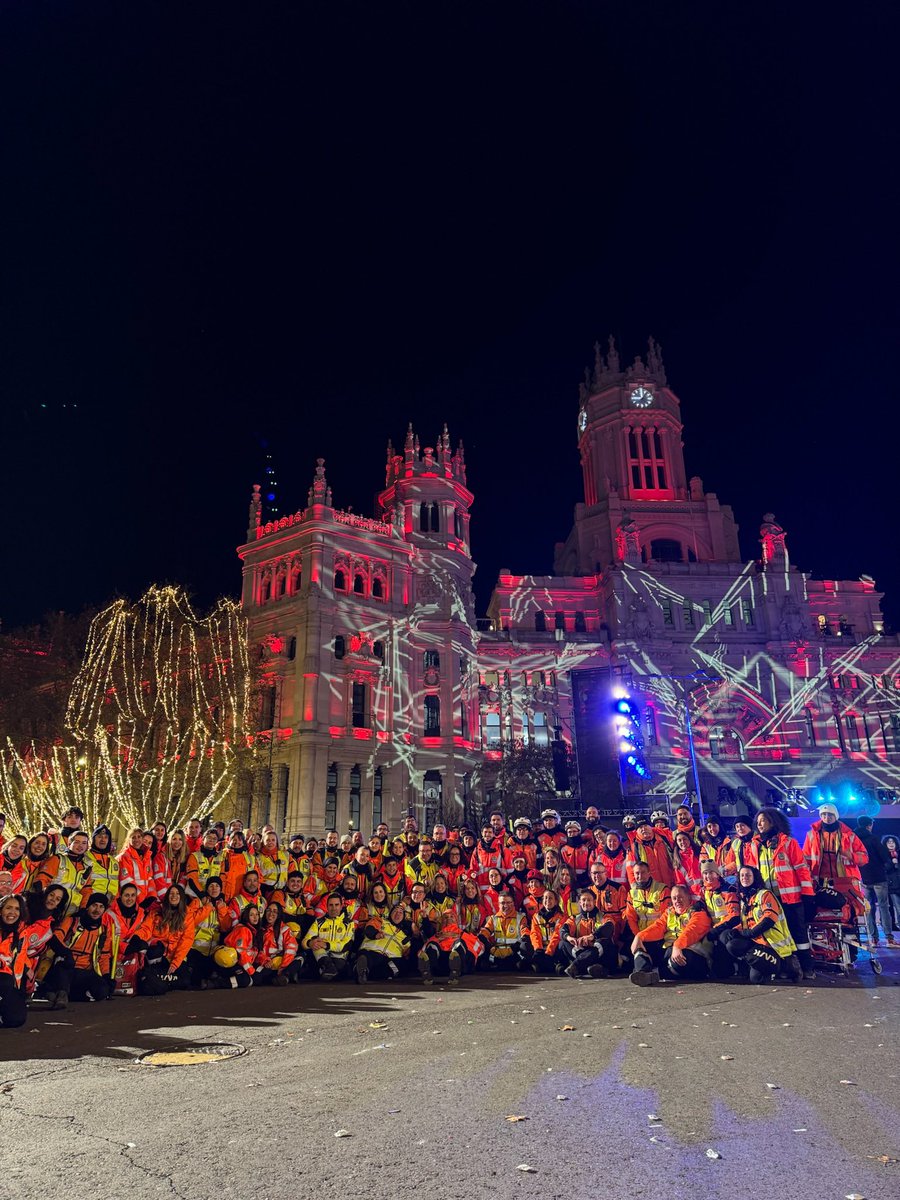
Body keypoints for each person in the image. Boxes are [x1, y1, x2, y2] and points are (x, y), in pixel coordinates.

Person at [751, 808, 816, 978]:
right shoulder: (755, 845)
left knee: (798, 934)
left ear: (772, 822)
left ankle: (807, 967)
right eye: (758, 821)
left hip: (790, 899)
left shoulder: (788, 842)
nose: (759, 824)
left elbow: (802, 869)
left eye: (762, 820)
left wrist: (808, 894)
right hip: (769, 900)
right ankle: (786, 968)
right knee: (777, 935)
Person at [724, 866, 800, 983]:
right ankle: (761, 967)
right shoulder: (745, 898)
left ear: (755, 877)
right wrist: (736, 930)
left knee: (757, 979)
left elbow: (769, 919)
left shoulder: (764, 895)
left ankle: (788, 967)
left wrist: (749, 933)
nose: (745, 878)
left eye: (748, 875)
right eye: (742, 875)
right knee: (730, 942)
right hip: (756, 941)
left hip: (772, 944)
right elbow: (747, 922)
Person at [41, 892, 117, 1006]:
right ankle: (61, 994)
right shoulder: (72, 921)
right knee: (63, 969)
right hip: (65, 966)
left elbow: (104, 957)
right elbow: (55, 938)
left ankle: (59, 994)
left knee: (102, 991)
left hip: (85, 971)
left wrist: (107, 976)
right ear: (88, 906)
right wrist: (66, 953)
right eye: (94, 905)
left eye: (101, 907)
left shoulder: (104, 931)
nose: (97, 910)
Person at [629, 884, 712, 986]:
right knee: (642, 944)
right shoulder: (669, 912)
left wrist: (677, 946)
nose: (677, 901)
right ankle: (642, 973)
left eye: (680, 897)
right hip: (670, 950)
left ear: (688, 897)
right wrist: (639, 937)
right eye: (674, 898)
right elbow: (657, 927)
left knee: (679, 961)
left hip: (694, 955)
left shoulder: (697, 912)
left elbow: (692, 931)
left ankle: (654, 974)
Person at [135, 884, 194, 993]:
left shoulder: (187, 916)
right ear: (167, 896)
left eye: (177, 894)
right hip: (157, 957)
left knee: (185, 980)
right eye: (171, 893)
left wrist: (175, 963)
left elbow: (186, 941)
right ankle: (160, 981)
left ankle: (160, 981)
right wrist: (137, 937)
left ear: (181, 897)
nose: (174, 896)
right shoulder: (156, 913)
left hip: (174, 957)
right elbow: (146, 929)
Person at [853, 816, 895, 947]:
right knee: (883, 907)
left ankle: (874, 938)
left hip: (863, 878)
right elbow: (884, 857)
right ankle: (889, 939)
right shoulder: (874, 839)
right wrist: (888, 867)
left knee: (868, 909)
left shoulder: (854, 840)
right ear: (870, 825)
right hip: (878, 878)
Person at [558, 888, 613, 978]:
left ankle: (577, 966)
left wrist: (592, 936)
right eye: (583, 900)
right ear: (579, 902)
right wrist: (569, 938)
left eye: (589, 900)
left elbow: (609, 927)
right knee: (563, 943)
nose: (586, 903)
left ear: (594, 901)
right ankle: (589, 967)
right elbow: (563, 930)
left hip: (600, 954)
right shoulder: (575, 918)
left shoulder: (603, 916)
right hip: (583, 952)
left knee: (604, 941)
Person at [700, 861, 741, 978]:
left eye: (711, 873)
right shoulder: (704, 891)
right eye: (705, 873)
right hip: (713, 927)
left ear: (717, 874)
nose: (708, 876)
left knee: (723, 938)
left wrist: (716, 929)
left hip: (728, 926)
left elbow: (734, 917)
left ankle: (732, 967)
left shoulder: (728, 890)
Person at [302, 893, 356, 980]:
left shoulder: (349, 923)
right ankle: (327, 969)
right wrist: (310, 943)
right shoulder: (319, 922)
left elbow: (346, 945)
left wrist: (327, 945)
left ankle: (328, 971)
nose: (334, 908)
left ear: (341, 906)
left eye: (336, 905)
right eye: (331, 905)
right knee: (315, 942)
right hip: (321, 959)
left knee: (318, 944)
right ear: (326, 906)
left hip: (339, 960)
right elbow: (305, 941)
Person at [356, 904, 411, 982]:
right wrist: (375, 934)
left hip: (388, 960)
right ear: (390, 913)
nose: (397, 914)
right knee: (365, 957)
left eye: (401, 912)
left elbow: (407, 954)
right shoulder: (381, 921)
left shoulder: (404, 936)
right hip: (371, 951)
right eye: (395, 911)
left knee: (399, 966)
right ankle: (362, 970)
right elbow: (369, 929)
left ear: (403, 917)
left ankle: (364, 973)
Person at [0, 895, 30, 1028]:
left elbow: (19, 962)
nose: (13, 912)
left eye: (17, 909)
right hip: (3, 980)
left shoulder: (22, 933)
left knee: (17, 1018)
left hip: (7, 985)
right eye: (8, 908)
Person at [523, 888, 566, 974]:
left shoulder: (561, 917)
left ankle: (555, 965)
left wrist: (549, 952)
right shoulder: (536, 916)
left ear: (556, 901)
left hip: (554, 949)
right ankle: (541, 964)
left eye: (550, 898)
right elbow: (534, 933)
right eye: (545, 898)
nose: (547, 900)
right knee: (525, 944)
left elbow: (557, 936)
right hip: (541, 948)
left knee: (562, 945)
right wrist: (538, 948)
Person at [479, 892, 526, 970]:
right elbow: (482, 935)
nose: (506, 905)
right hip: (497, 952)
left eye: (508, 902)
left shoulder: (521, 917)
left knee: (525, 946)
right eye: (502, 903)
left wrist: (512, 949)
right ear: (498, 904)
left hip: (514, 952)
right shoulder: (493, 918)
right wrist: (491, 948)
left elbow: (525, 936)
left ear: (513, 903)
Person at [255, 902, 298, 985]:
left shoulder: (284, 929)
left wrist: (283, 967)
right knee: (256, 978)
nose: (271, 913)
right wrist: (265, 961)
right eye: (269, 910)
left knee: (300, 957)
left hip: (281, 962)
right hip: (266, 964)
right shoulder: (260, 929)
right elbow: (256, 950)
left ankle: (285, 975)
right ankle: (280, 979)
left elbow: (291, 950)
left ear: (279, 915)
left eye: (275, 911)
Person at [624, 860, 670, 937]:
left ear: (649, 873)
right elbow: (631, 918)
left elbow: (665, 917)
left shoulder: (663, 890)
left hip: (658, 934)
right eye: (637, 873)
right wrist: (638, 936)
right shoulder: (632, 893)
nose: (640, 876)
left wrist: (647, 935)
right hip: (640, 934)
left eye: (643, 872)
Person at [626, 816, 675, 887]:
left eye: (646, 825)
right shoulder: (633, 847)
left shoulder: (665, 838)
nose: (643, 829)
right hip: (651, 889)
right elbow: (630, 870)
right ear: (636, 831)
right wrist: (636, 889)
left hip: (671, 884)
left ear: (651, 827)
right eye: (640, 827)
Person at [186, 828, 226, 899]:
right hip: (194, 896)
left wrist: (221, 895)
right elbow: (192, 878)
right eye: (209, 837)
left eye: (214, 839)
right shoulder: (194, 856)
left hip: (212, 896)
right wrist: (202, 895)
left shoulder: (220, 858)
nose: (211, 840)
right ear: (203, 839)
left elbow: (222, 879)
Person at [87, 825, 120, 899]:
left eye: (106, 837)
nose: (103, 840)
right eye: (99, 836)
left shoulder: (114, 862)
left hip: (110, 905)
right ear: (93, 839)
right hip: (91, 903)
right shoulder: (86, 858)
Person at [561, 821, 591, 885]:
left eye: (574, 831)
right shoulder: (563, 849)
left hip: (584, 880)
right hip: (569, 880)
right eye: (569, 832)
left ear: (579, 832)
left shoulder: (586, 847)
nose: (572, 834)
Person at [883, 835, 900, 935]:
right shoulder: (884, 856)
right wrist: (892, 863)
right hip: (892, 886)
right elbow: (884, 869)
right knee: (896, 908)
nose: (891, 843)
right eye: (888, 842)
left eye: (892, 842)